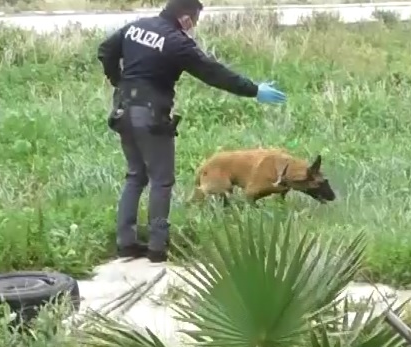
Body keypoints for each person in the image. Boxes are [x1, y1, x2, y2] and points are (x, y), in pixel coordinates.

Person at [97, 0, 287, 263]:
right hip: (151, 115)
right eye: (195, 20)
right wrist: (254, 90)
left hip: (122, 110)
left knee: (135, 176)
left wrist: (118, 80)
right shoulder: (177, 43)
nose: (194, 26)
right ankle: (157, 247)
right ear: (185, 17)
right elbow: (214, 73)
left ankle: (126, 243)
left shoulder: (135, 27)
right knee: (161, 180)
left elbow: (106, 49)